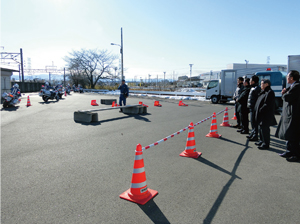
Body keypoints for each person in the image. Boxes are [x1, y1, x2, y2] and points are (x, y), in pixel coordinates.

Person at [275, 70, 300, 162]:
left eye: (288, 76)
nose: (287, 78)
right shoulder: (292, 86)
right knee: (289, 135)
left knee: (293, 136)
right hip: (290, 114)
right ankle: (289, 151)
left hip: (294, 116)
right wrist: (285, 92)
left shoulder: (297, 86)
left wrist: (284, 93)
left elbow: (287, 97)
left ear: (292, 78)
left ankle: (296, 155)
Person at [254, 79, 277, 149]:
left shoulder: (270, 92)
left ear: (266, 84)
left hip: (266, 115)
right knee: (261, 128)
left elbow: (267, 104)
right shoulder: (263, 92)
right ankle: (261, 141)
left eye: (262, 84)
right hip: (261, 114)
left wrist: (261, 110)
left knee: (265, 129)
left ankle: (265, 144)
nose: (261, 85)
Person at [246, 75, 261, 141]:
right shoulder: (253, 87)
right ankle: (252, 133)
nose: (249, 82)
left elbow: (257, 99)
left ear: (254, 81)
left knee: (254, 122)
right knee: (252, 122)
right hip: (251, 107)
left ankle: (255, 136)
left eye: (251, 81)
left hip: (254, 108)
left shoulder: (257, 88)